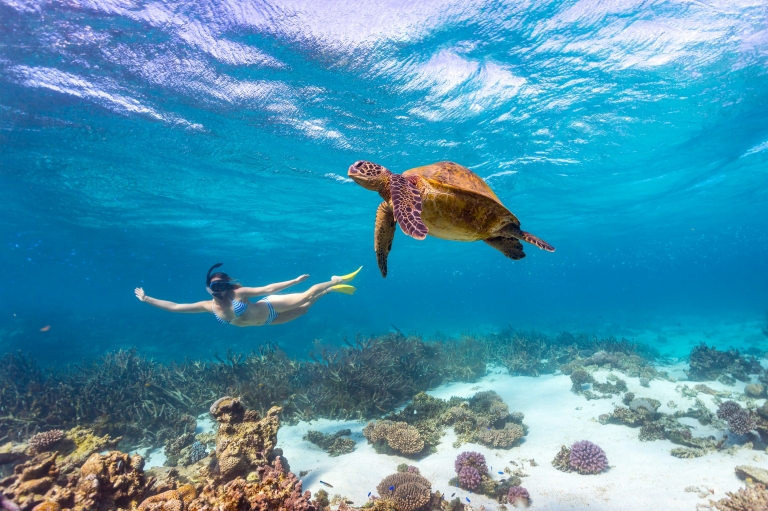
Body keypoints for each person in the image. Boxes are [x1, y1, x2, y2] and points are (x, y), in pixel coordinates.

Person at [134, 263, 360, 326]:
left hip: (269, 307)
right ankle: (330, 290)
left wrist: (294, 280)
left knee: (304, 295)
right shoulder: (207, 306)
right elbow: (174, 307)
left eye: (224, 285)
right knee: (306, 308)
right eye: (216, 287)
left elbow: (268, 289)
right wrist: (146, 299)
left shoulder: (239, 293)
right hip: (268, 322)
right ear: (209, 288)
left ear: (228, 285)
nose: (220, 290)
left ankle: (334, 279)